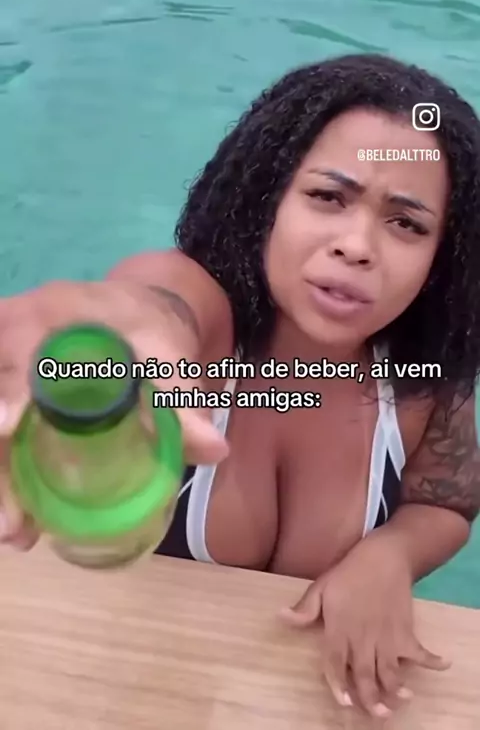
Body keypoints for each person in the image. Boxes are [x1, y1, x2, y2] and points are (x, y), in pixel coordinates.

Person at [1, 53, 479, 719]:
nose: (358, 245)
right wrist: (110, 334)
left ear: (439, 259)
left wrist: (391, 556)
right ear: (265, 201)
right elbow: (155, 306)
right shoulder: (204, 331)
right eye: (327, 197)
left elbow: (444, 502)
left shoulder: (423, 377)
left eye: (407, 223)